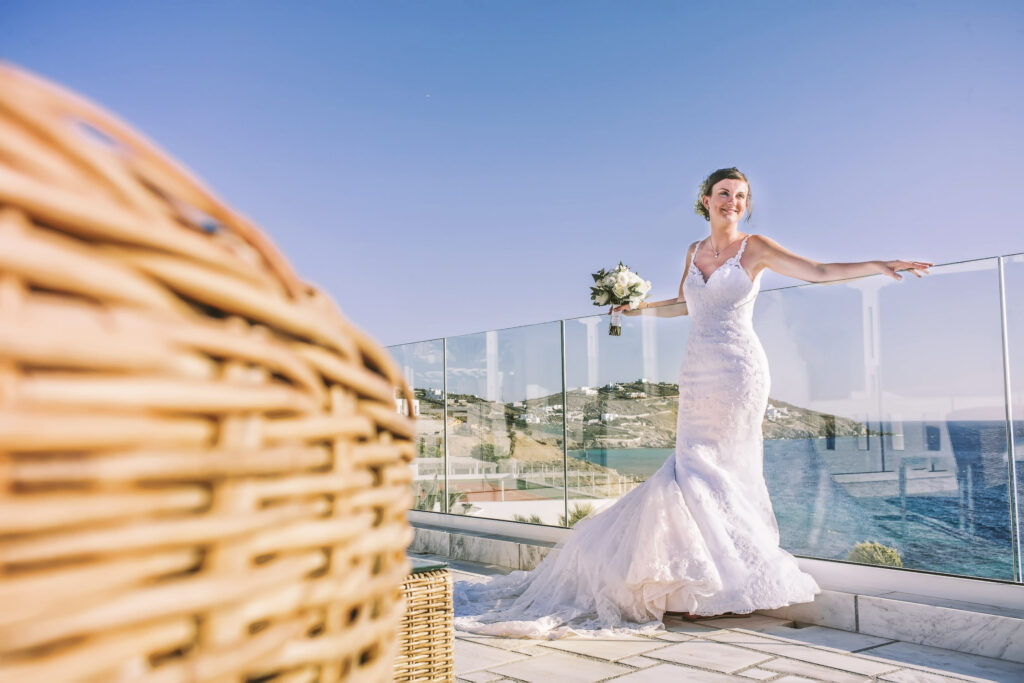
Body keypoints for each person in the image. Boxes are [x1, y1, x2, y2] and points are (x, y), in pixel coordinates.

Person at [453, 167, 932, 638]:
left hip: (739, 370)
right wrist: (635, 309)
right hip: (696, 372)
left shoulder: (755, 247)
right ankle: (695, 585)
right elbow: (685, 303)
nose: (734, 203)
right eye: (725, 194)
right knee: (692, 466)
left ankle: (720, 586)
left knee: (725, 468)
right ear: (706, 199)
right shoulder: (695, 250)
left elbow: (820, 270)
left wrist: (880, 263)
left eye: (741, 196)